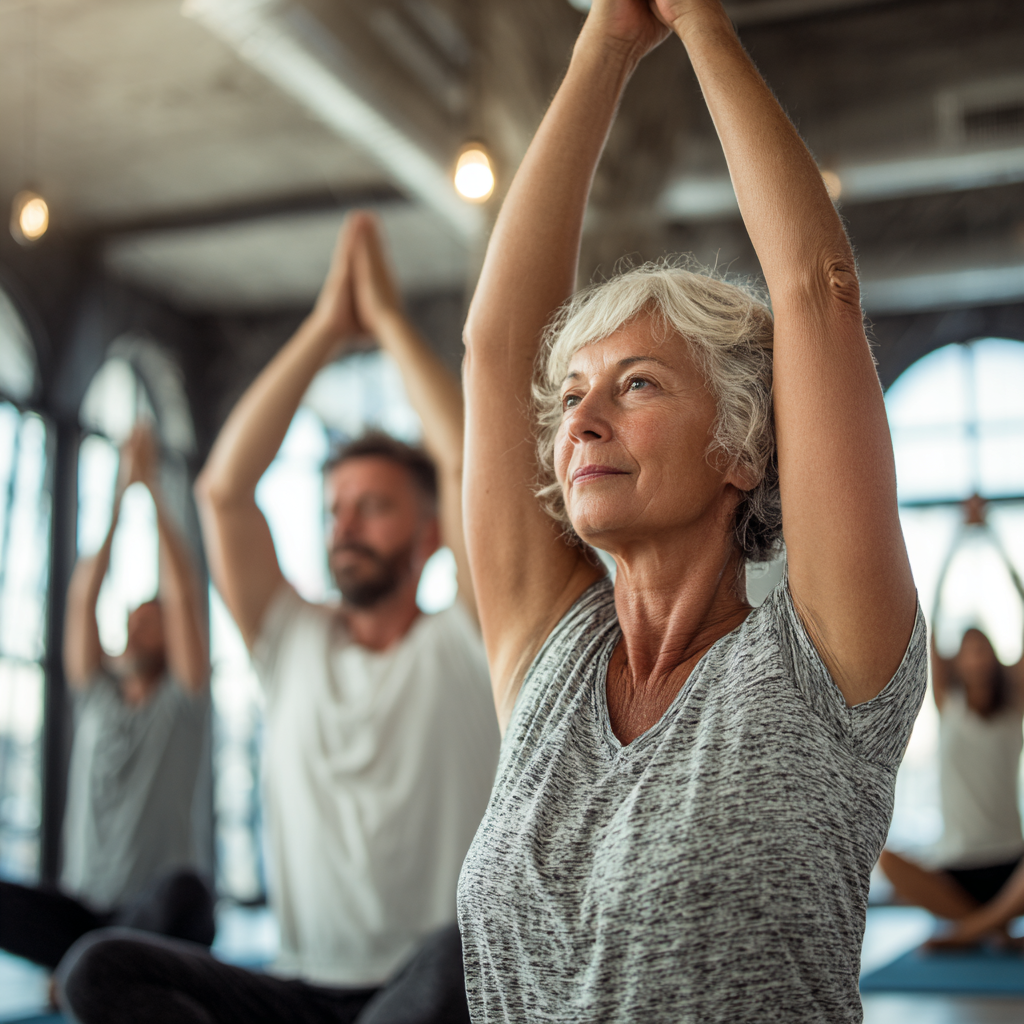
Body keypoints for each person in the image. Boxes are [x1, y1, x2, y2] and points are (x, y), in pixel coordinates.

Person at [456, 1, 926, 1021]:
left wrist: (694, 18)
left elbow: (815, 288)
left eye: (635, 386)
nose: (581, 418)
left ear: (742, 448)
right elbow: (496, 352)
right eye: (574, 391)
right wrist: (604, 42)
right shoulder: (549, 659)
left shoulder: (817, 671)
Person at [57, 213, 499, 1024]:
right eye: (335, 508)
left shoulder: (466, 636)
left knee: (462, 951)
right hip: (300, 989)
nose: (346, 526)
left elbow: (470, 465)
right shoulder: (288, 639)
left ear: (433, 533)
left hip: (428, 994)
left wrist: (391, 322)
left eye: (374, 507)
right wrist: (328, 325)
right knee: (97, 971)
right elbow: (223, 492)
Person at [0, 424, 214, 971]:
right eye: (132, 619)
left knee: (188, 892)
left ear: (173, 641)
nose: (134, 628)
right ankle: (86, 963)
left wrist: (153, 492)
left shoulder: (182, 706)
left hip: (151, 913)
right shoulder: (97, 698)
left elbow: (185, 590)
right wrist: (121, 494)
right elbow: (81, 598)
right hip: (84, 913)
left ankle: (93, 967)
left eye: (151, 623)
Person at [879, 495, 1024, 947]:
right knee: (888, 860)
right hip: (956, 867)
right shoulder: (948, 702)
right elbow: (934, 617)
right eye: (968, 649)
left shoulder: (1014, 701)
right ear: (958, 661)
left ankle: (971, 931)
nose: (976, 656)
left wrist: (996, 537)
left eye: (983, 647)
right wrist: (959, 537)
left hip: (1011, 861)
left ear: (995, 657)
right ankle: (995, 929)